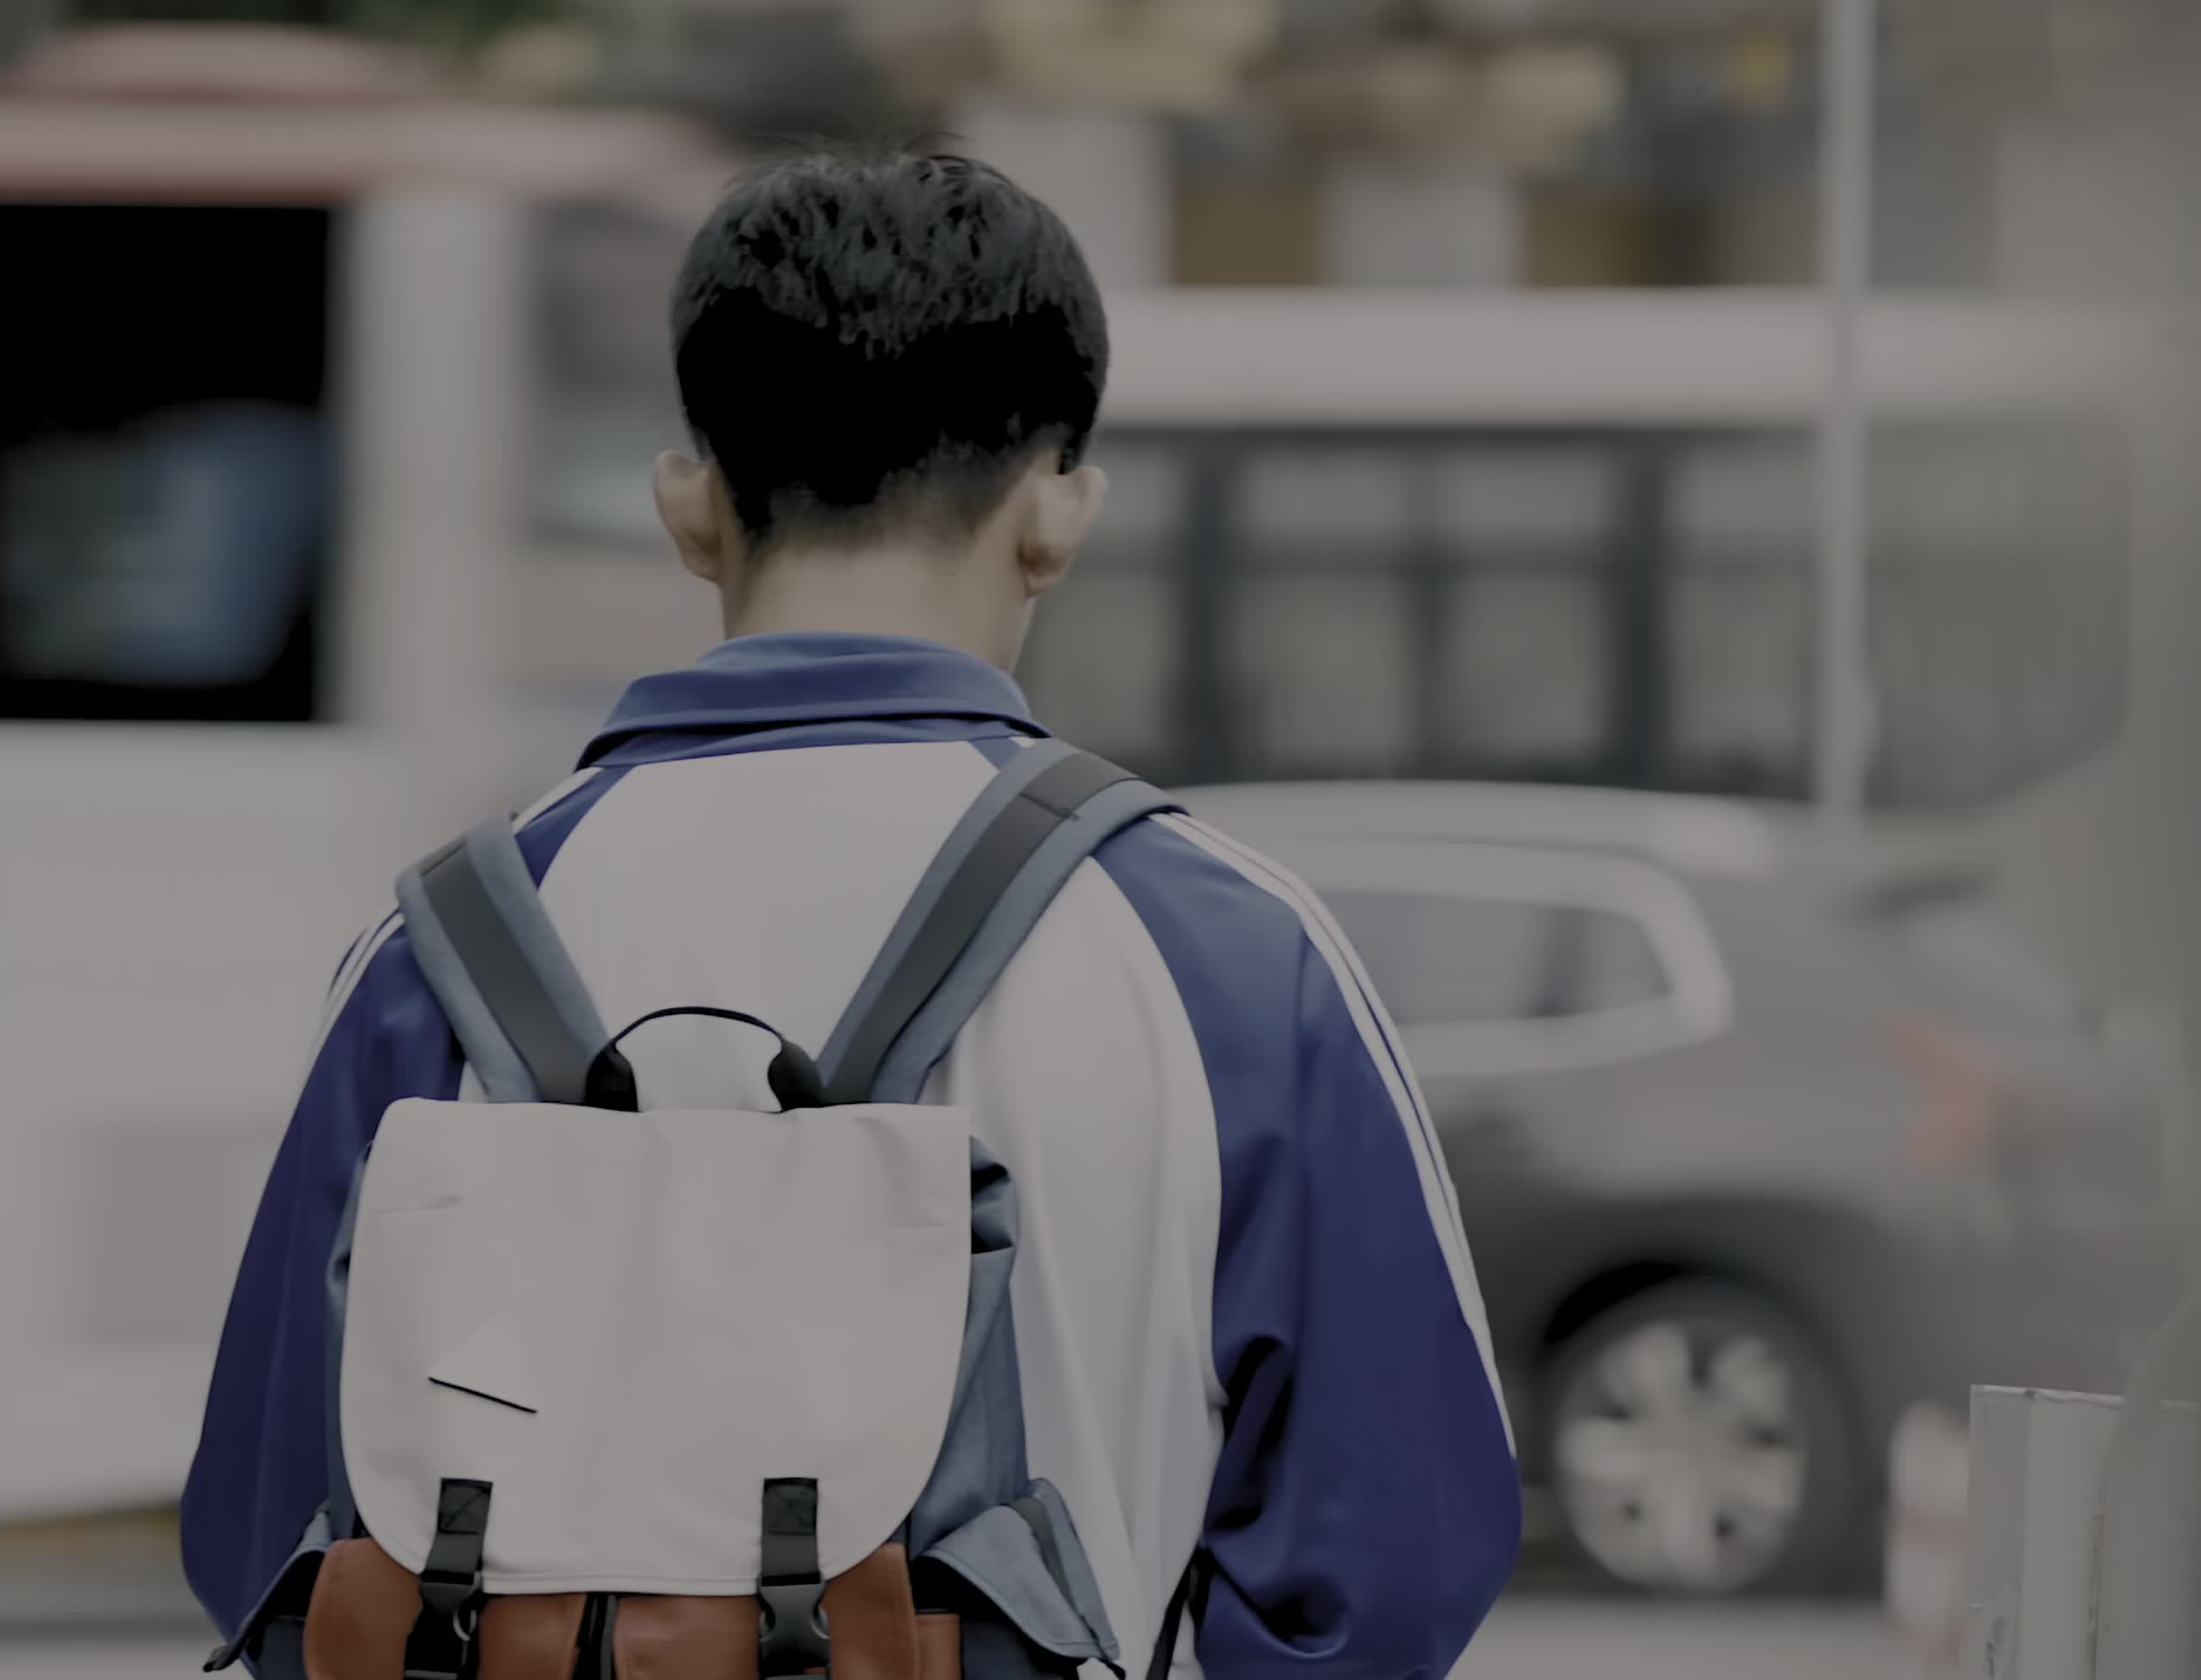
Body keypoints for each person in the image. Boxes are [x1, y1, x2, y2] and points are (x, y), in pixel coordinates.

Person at [182, 150, 1520, 1678]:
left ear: (689, 503)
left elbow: (268, 1541)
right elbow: (1386, 1571)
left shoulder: (435, 956)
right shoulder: (1227, 956)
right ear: (1058, 511)